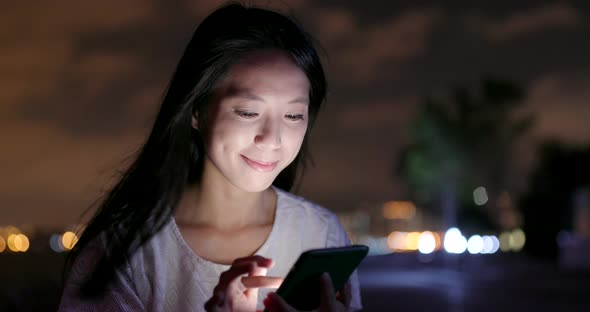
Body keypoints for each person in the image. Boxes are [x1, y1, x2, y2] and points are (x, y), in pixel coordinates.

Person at [58, 3, 362, 311]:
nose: (272, 138)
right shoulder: (125, 255)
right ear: (196, 111)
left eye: (294, 115)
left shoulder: (321, 234)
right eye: (248, 112)